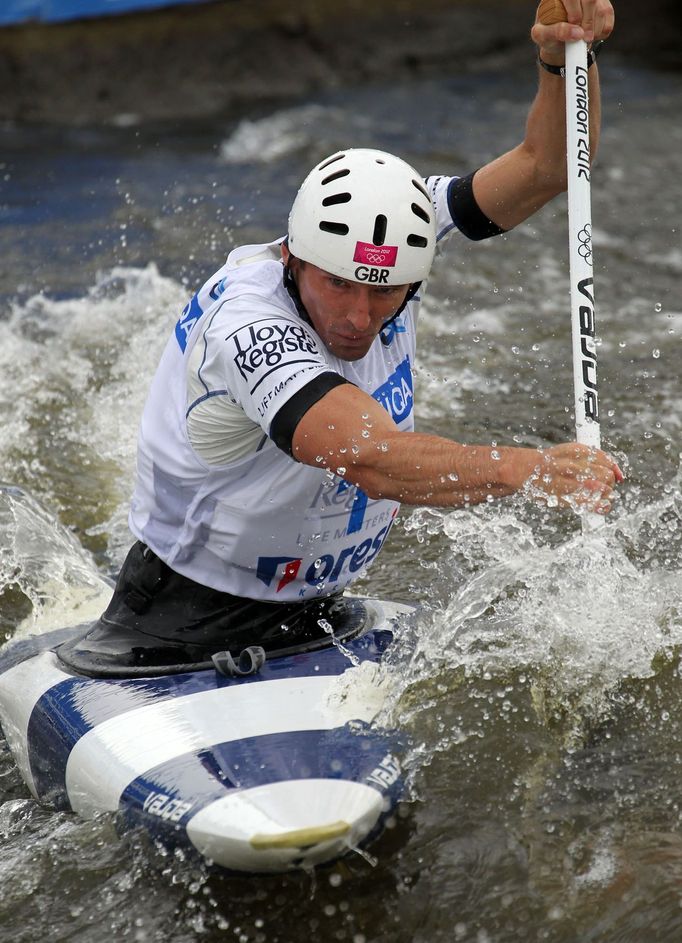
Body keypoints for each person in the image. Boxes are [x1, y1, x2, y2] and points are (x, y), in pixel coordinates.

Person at [58, 0, 621, 675]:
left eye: (383, 291)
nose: (359, 314)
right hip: (177, 624)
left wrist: (561, 61)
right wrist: (530, 470)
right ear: (295, 260)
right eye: (338, 285)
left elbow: (547, 170)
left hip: (324, 610)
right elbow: (369, 457)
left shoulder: (404, 230)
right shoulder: (247, 322)